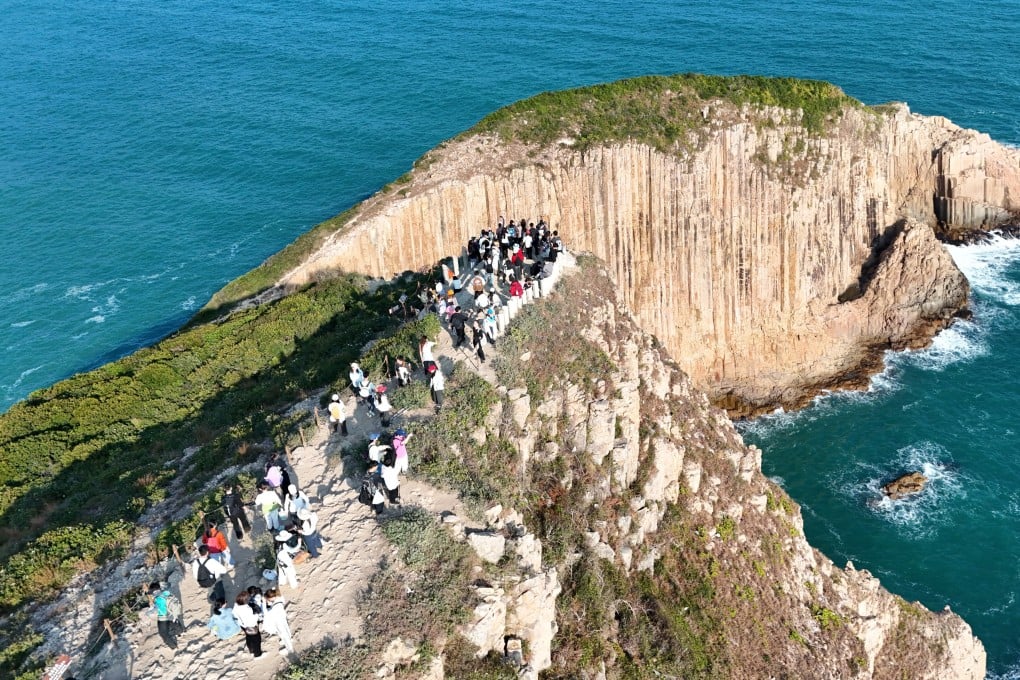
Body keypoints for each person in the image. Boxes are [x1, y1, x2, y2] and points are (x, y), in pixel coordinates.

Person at [262, 588, 295, 655]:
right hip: (282, 617)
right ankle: (289, 639)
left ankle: (289, 649)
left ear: (271, 598)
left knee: (283, 633)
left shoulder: (274, 607)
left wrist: (264, 604)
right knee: (286, 629)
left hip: (278, 621)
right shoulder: (280, 597)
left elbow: (266, 613)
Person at [148, 582, 181, 649]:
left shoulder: (159, 599)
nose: (152, 594)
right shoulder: (166, 593)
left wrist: (150, 611)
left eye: (152, 593)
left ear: (155, 592)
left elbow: (161, 611)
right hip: (172, 613)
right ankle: (180, 631)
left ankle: (173, 646)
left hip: (164, 617)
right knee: (173, 622)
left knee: (163, 633)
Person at [233, 592, 263, 658]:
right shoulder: (248, 609)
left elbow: (234, 614)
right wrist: (256, 614)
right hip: (251, 626)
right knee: (256, 640)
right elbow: (253, 621)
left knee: (248, 637)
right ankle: (257, 655)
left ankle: (251, 650)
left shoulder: (236, 605)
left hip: (243, 625)